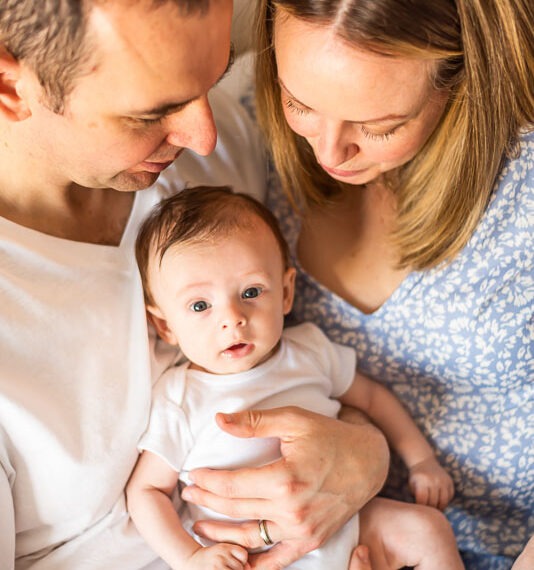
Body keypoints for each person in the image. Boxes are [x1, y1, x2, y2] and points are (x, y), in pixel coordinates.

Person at [0, 1, 390, 568]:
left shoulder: (218, 141)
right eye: (149, 113)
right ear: (10, 85)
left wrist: (363, 454)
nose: (203, 137)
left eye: (215, 78)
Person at [180, 0, 532, 568]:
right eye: (301, 103)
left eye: (379, 126)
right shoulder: (241, 123)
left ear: (462, 78)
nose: (327, 151)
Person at [126, 185, 463, 570]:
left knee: (428, 529)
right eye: (200, 305)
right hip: (255, 556)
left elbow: (372, 398)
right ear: (164, 326)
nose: (232, 317)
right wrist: (190, 558)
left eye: (251, 291)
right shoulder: (181, 396)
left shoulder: (309, 350)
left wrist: (421, 460)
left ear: (286, 293)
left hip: (347, 524)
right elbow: (146, 491)